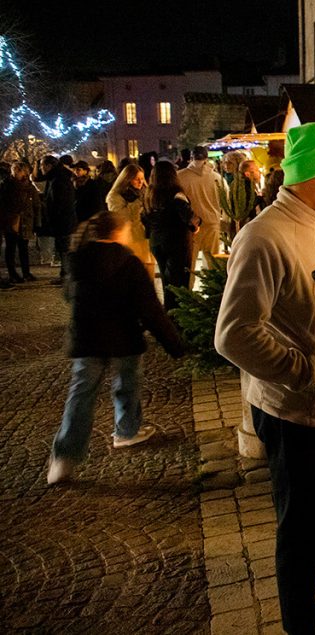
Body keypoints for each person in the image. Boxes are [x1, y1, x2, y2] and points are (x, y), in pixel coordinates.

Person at [214, 122, 315, 635]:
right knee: (299, 526)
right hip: (294, 409)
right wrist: (309, 373)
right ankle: (299, 622)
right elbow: (233, 334)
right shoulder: (264, 236)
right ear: (310, 172)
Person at [45, 211, 185, 484]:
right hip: (124, 338)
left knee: (81, 396)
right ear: (119, 232)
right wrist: (175, 345)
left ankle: (63, 459)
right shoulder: (129, 263)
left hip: (87, 339)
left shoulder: (78, 259)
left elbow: (68, 296)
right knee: (127, 382)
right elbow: (151, 310)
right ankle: (127, 431)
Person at [143, 161, 197, 310]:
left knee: (166, 280)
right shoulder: (177, 194)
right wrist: (195, 226)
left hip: (156, 241)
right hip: (177, 242)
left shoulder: (149, 193)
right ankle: (178, 315)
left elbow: (144, 218)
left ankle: (168, 310)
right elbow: (188, 217)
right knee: (179, 280)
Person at [177, 145, 225, 277]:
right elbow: (225, 200)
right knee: (212, 263)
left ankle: (189, 294)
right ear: (206, 158)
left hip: (191, 225)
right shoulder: (217, 178)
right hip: (212, 223)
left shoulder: (180, 177)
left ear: (191, 158)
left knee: (189, 264)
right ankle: (212, 293)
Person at [106, 163, 154, 279]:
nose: (140, 182)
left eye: (142, 178)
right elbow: (122, 217)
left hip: (146, 238)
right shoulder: (115, 196)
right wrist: (136, 204)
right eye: (136, 179)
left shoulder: (145, 193)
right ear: (127, 179)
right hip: (129, 240)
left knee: (148, 275)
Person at [1, 161, 41, 283]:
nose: (16, 173)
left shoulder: (29, 187)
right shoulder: (6, 185)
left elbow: (36, 205)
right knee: (11, 248)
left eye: (19, 170)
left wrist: (37, 223)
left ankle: (26, 272)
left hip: (25, 221)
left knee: (23, 248)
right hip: (12, 221)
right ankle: (12, 273)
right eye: (15, 170)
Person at [41, 155, 77, 284]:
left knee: (64, 249)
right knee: (63, 248)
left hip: (62, 220)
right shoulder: (58, 177)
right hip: (64, 219)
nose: (41, 168)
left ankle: (66, 275)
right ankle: (65, 274)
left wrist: (53, 215)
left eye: (42, 165)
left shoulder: (58, 180)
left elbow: (58, 202)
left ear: (49, 166)